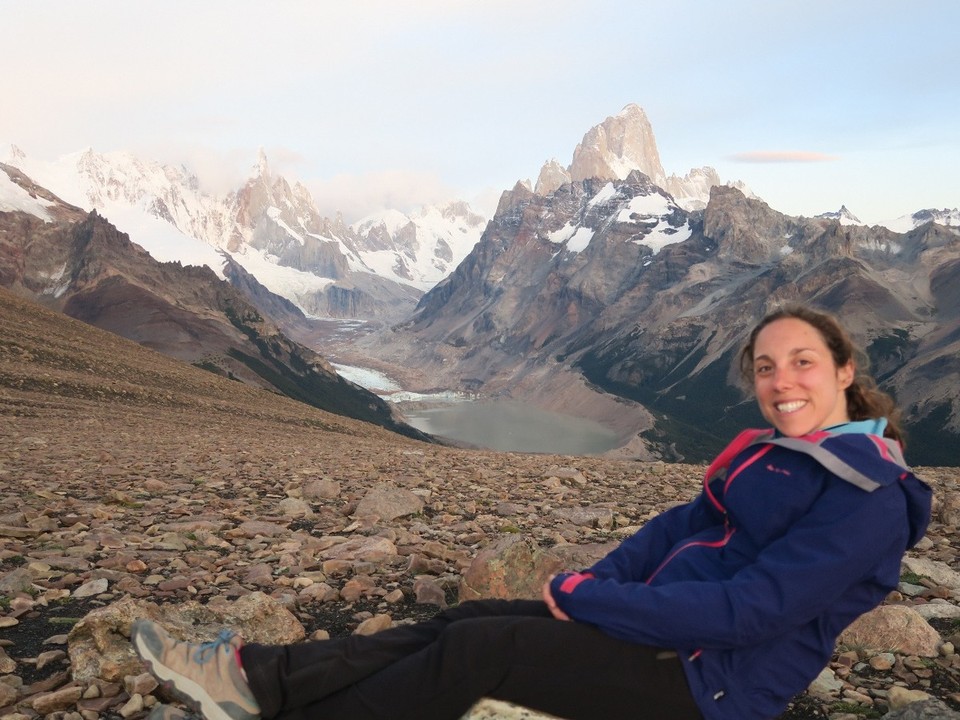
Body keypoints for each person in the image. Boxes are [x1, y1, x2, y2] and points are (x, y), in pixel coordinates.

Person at [131, 304, 932, 720]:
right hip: (665, 639)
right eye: (766, 366)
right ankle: (258, 678)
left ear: (844, 372)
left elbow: (750, 612)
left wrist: (596, 603)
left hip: (710, 689)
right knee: (468, 618)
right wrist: (598, 581)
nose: (782, 380)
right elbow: (682, 527)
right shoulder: (770, 450)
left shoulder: (871, 496)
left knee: (490, 648)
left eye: (802, 363)